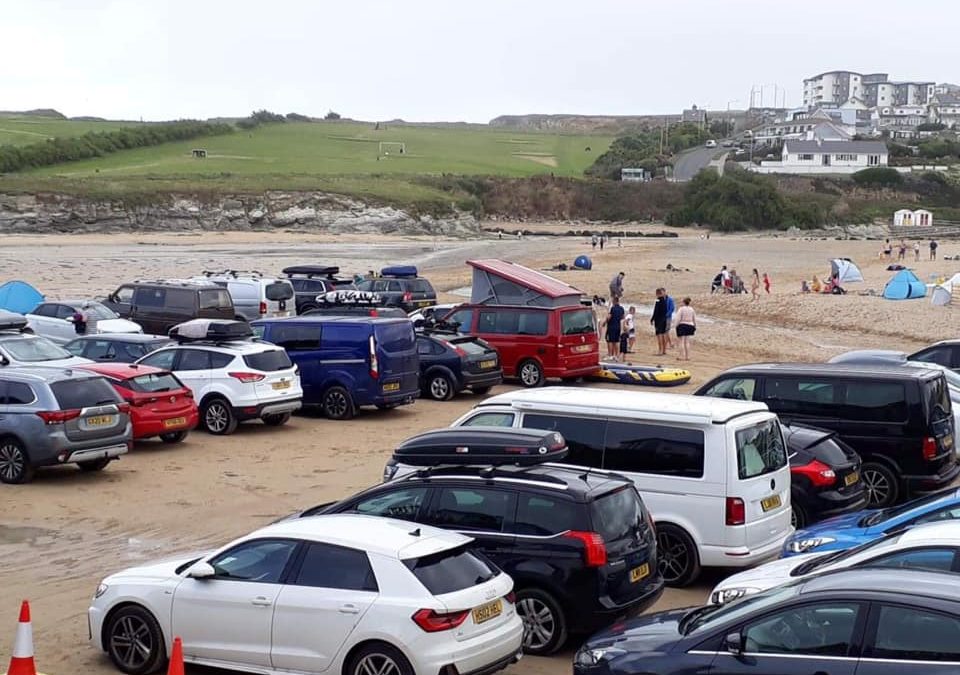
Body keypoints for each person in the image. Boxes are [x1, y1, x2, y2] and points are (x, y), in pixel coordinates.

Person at [603, 297, 625, 361]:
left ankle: (610, 355)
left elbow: (609, 317)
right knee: (617, 341)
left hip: (611, 327)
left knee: (610, 341)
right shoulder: (622, 308)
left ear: (614, 301)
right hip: (618, 327)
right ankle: (617, 355)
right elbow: (622, 317)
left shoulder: (612, 308)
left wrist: (605, 322)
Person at [650, 288, 668, 356]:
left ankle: (660, 350)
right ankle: (664, 350)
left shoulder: (658, 300)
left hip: (659, 320)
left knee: (659, 335)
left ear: (657, 294)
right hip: (664, 319)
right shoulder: (664, 300)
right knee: (663, 334)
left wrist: (652, 319)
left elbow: (656, 311)